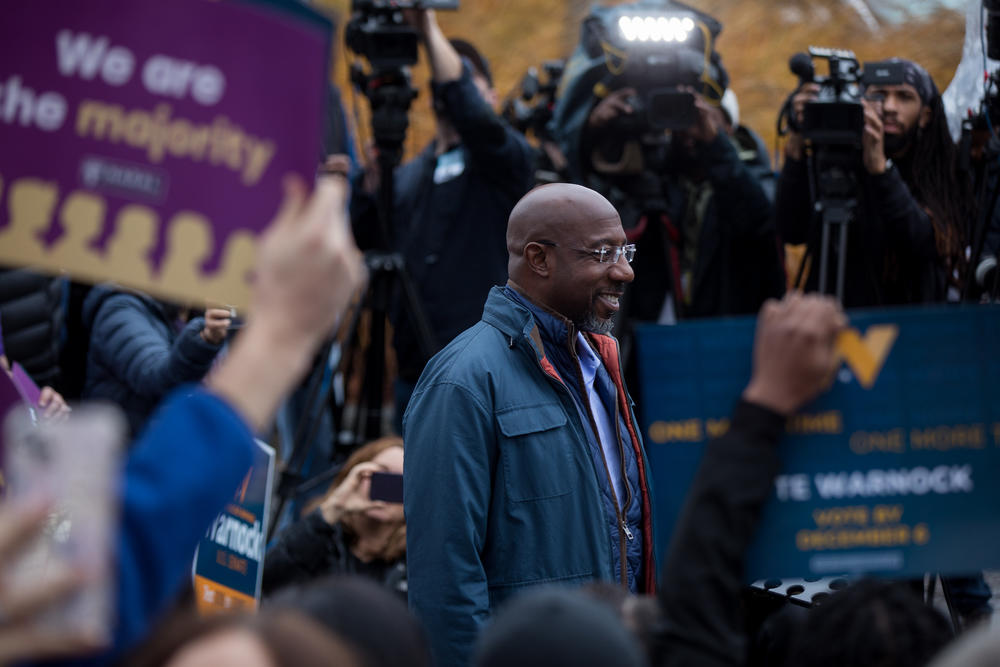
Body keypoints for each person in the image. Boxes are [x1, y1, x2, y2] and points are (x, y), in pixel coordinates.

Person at [1, 173, 366, 666]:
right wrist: (275, 337)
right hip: (135, 464)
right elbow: (157, 376)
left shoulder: (164, 314)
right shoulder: (119, 306)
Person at [403, 183, 655, 667]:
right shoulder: (462, 382)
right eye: (603, 253)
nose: (624, 271)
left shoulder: (597, 365)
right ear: (538, 259)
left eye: (625, 250)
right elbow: (444, 579)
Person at [350, 9, 535, 425]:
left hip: (485, 366)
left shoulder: (506, 161)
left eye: (467, 80)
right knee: (406, 479)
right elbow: (370, 241)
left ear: (489, 97)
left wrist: (427, 28)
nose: (447, 87)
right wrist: (369, 188)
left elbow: (472, 115)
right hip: (414, 368)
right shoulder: (410, 175)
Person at [550, 1, 784, 324]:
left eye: (690, 110)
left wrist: (715, 145)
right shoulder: (659, 176)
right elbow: (575, 205)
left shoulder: (744, 169)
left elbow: (757, 220)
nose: (684, 129)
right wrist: (593, 131)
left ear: (727, 123)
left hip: (718, 331)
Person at [776, 57, 969, 306]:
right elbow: (791, 230)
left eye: (904, 97)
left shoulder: (943, 173)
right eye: (878, 95)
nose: (889, 106)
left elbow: (923, 243)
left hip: (908, 316)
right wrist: (796, 147)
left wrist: (880, 168)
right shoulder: (836, 155)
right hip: (836, 312)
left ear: (926, 115)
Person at [262, 436, 406, 597]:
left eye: (399, 483)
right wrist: (332, 509)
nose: (386, 490)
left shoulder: (412, 563)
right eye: (379, 475)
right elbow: (267, 581)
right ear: (354, 474)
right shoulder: (320, 534)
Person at [81, 288, 232, 437]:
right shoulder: (120, 310)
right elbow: (157, 377)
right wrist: (205, 340)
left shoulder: (192, 313)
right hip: (130, 451)